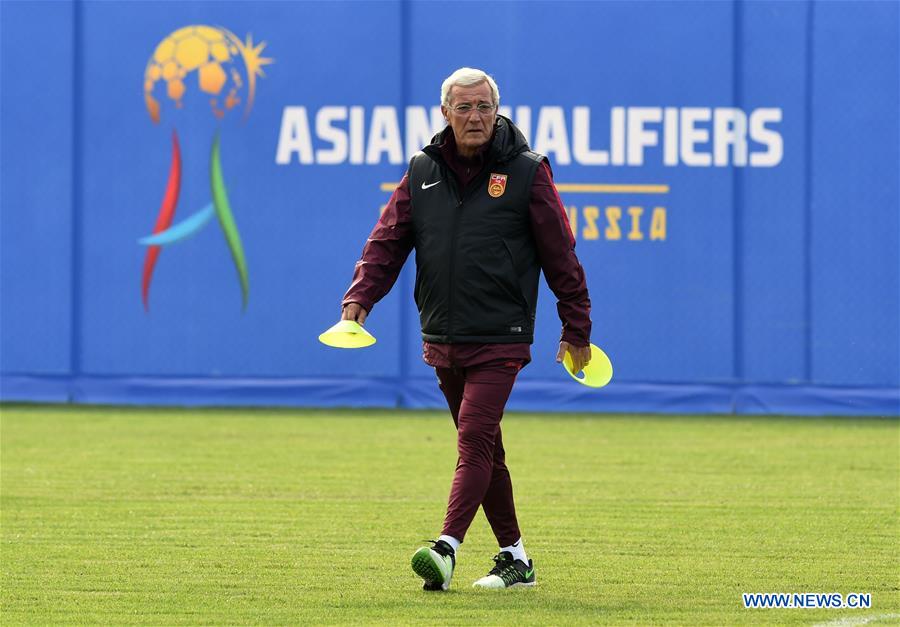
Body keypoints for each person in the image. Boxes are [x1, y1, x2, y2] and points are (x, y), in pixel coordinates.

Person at [340, 67, 592, 590]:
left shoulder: (527, 171)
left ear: (496, 111)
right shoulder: (422, 170)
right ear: (445, 113)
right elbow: (387, 241)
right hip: (443, 337)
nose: (475, 117)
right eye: (464, 107)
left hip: (502, 334)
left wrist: (576, 326)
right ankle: (516, 559)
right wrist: (360, 297)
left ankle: (446, 548)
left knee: (473, 440)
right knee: (487, 451)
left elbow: (561, 254)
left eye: (484, 107)